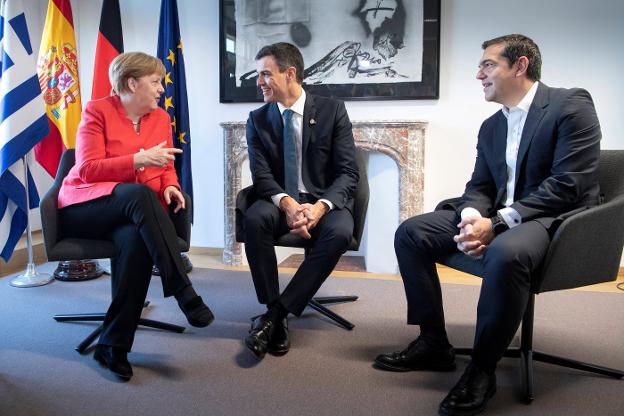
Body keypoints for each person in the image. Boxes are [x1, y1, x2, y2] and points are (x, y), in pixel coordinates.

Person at [374, 34, 601, 415]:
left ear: (520, 65)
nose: (478, 74)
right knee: (411, 232)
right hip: (498, 215)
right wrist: (471, 218)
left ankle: (482, 368)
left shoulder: (570, 104)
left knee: (506, 253)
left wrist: (495, 225)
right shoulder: (492, 126)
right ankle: (433, 343)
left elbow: (567, 186)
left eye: (488, 65)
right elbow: (479, 185)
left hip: (550, 218)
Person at [57, 52, 214, 380]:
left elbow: (168, 165)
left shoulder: (160, 118)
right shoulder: (97, 111)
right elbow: (86, 170)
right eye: (155, 82)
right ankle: (181, 288)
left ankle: (113, 346)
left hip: (132, 213)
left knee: (136, 240)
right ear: (132, 82)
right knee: (140, 195)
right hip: (86, 207)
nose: (161, 89)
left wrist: (171, 186)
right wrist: (139, 159)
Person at [243, 42, 359, 359]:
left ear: (289, 73)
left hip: (323, 200)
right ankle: (272, 307)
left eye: (265, 74)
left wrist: (320, 207)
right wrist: (288, 204)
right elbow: (262, 175)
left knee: (338, 233)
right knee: (254, 220)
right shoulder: (257, 119)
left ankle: (275, 317)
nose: (259, 82)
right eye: (258, 75)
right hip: (281, 200)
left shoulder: (332, 110)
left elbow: (348, 172)